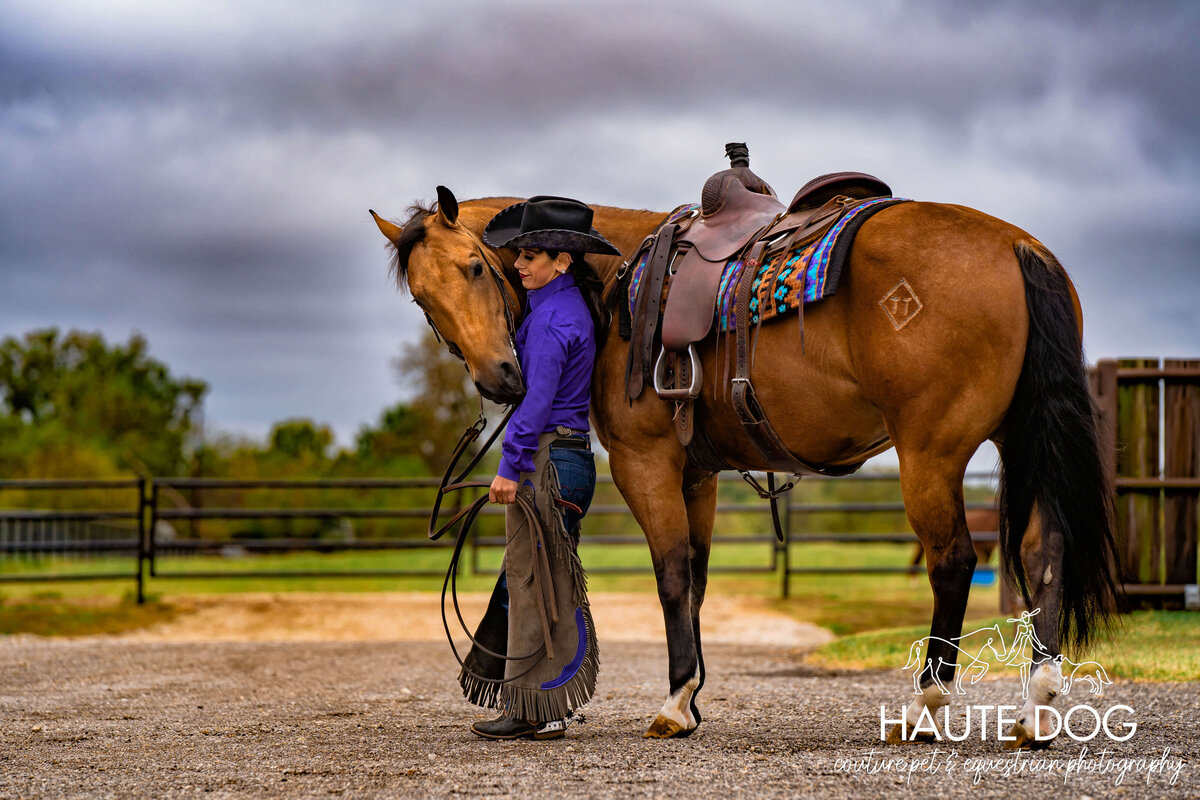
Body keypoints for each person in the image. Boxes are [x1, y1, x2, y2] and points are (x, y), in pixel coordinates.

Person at [459, 196, 619, 741]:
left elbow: (536, 403)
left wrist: (509, 465)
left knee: (534, 582)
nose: (520, 263)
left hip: (548, 461)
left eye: (533, 255)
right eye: (520, 254)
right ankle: (537, 699)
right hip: (569, 458)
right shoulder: (563, 307)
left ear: (563, 261)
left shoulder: (553, 320)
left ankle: (536, 708)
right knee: (535, 576)